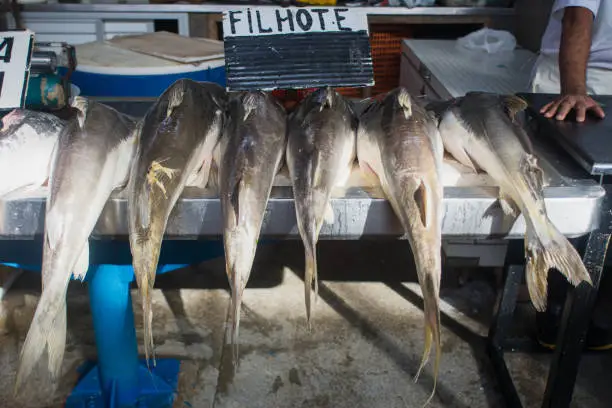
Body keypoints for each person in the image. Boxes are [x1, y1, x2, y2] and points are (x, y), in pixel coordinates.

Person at [529, 0, 612, 350]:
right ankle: (553, 313)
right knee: (560, 202)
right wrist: (575, 91)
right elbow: (578, 17)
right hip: (574, 76)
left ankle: (595, 317)